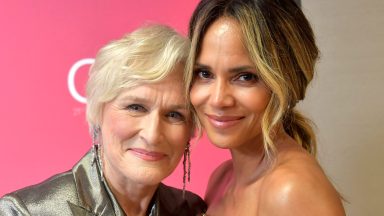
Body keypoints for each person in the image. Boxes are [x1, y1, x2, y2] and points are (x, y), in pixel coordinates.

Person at [0, 24, 206, 215]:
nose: (153, 134)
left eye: (174, 115)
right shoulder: (25, 211)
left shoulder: (192, 210)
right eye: (135, 107)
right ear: (98, 112)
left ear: (191, 130)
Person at [186, 0, 345, 215]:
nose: (217, 99)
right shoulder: (221, 179)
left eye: (245, 77)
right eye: (205, 74)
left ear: (287, 81)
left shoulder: (291, 191)